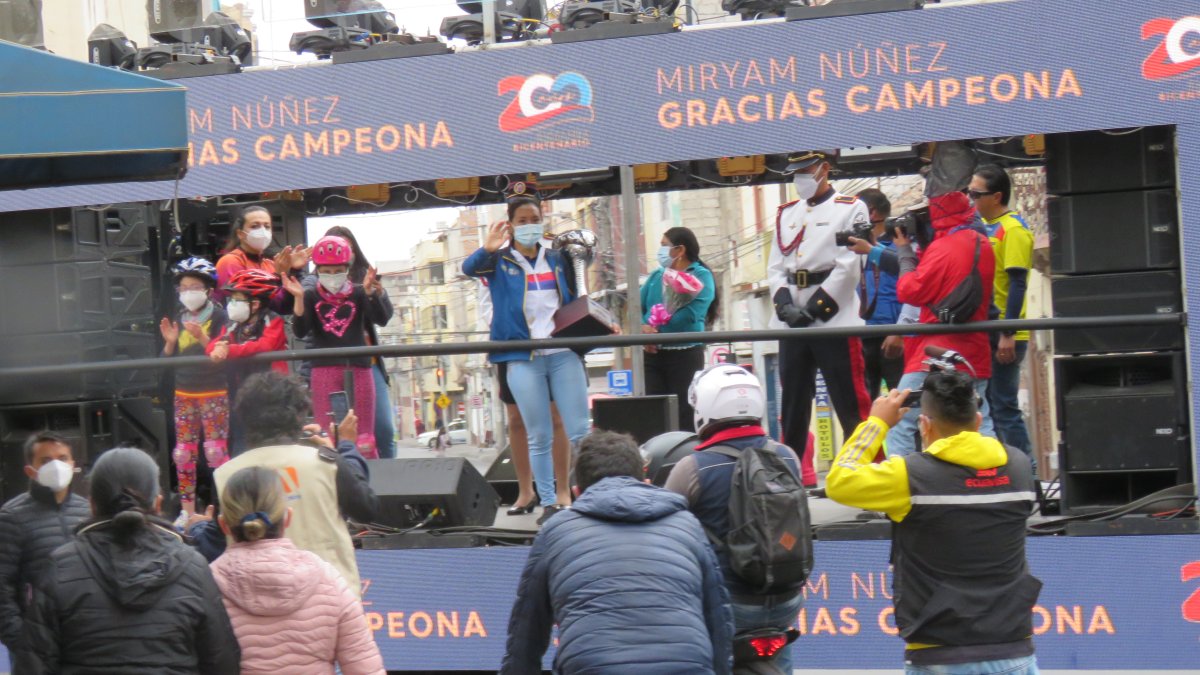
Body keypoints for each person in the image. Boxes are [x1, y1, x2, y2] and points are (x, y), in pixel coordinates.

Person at [825, 373, 1041, 675]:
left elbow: (839, 481)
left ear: (924, 425)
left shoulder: (909, 477)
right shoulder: (1018, 467)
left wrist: (876, 423)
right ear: (978, 421)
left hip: (938, 652)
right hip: (1013, 647)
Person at [501, 430, 733, 675]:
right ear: (646, 482)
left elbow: (526, 634)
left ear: (577, 492)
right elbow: (718, 618)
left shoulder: (555, 531)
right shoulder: (687, 524)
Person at [21, 447, 240, 674]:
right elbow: (222, 663)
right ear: (157, 503)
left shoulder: (60, 567)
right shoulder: (193, 566)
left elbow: (33, 665)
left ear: (92, 505)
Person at [665, 365, 806, 675]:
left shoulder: (693, 468)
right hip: (786, 600)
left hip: (730, 603)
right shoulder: (787, 457)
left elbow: (664, 531)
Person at [462, 195, 593, 525]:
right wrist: (488, 248)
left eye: (533, 218)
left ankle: (591, 494)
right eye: (521, 220)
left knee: (579, 429)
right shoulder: (497, 261)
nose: (528, 224)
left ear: (542, 219)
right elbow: (468, 269)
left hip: (562, 353)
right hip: (522, 356)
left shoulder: (559, 258)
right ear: (510, 224)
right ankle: (548, 503)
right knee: (538, 433)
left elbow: (577, 298)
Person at [189, 372, 379, 594]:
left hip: (256, 607)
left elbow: (215, 544)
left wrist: (198, 526)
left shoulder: (225, 475)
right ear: (299, 414)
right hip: (332, 601)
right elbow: (367, 508)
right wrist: (346, 446)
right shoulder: (326, 461)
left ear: (244, 417)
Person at [211, 466, 385, 675]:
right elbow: (366, 668)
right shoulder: (327, 579)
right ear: (287, 518)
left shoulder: (205, 585)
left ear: (223, 525)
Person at [769, 150, 872, 487]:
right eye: (795, 171)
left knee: (851, 404)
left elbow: (849, 267)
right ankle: (790, 480)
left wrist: (813, 310)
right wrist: (784, 305)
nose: (800, 177)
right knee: (794, 404)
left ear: (824, 169)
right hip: (792, 320)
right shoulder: (786, 213)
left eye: (806, 170)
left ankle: (864, 477)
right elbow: (775, 267)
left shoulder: (850, 207)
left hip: (834, 316)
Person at [887, 190, 998, 456]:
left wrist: (904, 253)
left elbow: (909, 290)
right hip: (974, 351)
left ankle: (903, 485)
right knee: (979, 420)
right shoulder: (983, 244)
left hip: (935, 353)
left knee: (900, 418)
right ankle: (994, 478)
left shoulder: (942, 248)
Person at [480, 269, 572, 516]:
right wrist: (510, 327)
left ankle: (562, 490)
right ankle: (525, 491)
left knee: (556, 418)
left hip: (551, 346)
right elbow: (487, 304)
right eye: (519, 226)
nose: (526, 228)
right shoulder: (494, 261)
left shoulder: (549, 256)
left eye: (530, 225)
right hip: (513, 346)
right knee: (516, 420)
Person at [301, 226, 398, 459]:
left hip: (366, 362)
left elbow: (383, 317)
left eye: (347, 247)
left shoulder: (365, 278)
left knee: (382, 428)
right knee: (332, 429)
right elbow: (302, 305)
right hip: (327, 363)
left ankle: (384, 478)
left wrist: (376, 294)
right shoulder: (315, 282)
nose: (340, 252)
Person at [0, 433, 90, 672]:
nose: (56, 466)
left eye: (62, 458)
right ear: (30, 470)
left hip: (84, 639)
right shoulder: (12, 517)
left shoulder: (88, 513)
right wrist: (21, 640)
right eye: (46, 460)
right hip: (33, 645)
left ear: (73, 464)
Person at [971, 165, 1036, 469]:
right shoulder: (984, 226)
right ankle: (1004, 472)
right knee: (991, 407)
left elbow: (1018, 283)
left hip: (1006, 333)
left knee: (1005, 406)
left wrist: (1007, 333)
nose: (971, 199)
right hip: (987, 330)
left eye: (976, 194)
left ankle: (1027, 474)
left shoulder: (1013, 229)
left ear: (996, 196)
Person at [160, 257, 230, 519]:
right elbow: (166, 359)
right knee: (182, 454)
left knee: (215, 452)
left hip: (213, 392)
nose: (188, 293)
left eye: (194, 287)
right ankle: (187, 512)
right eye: (184, 288)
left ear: (208, 290)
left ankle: (223, 507)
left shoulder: (221, 315)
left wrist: (202, 337)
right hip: (183, 393)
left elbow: (221, 357)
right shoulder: (178, 317)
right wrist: (169, 343)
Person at [208, 268, 302, 455]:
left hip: (271, 392)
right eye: (231, 299)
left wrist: (229, 350)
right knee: (241, 439)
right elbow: (212, 346)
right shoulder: (233, 323)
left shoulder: (272, 320)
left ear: (256, 304)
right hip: (241, 391)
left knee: (274, 441)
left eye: (237, 299)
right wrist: (219, 348)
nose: (232, 304)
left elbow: (264, 345)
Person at [641, 226, 719, 430]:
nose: (660, 251)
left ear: (680, 250)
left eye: (664, 246)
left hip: (685, 353)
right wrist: (643, 329)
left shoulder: (701, 275)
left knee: (686, 413)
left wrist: (657, 331)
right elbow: (637, 307)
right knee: (655, 413)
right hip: (653, 355)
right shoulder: (656, 277)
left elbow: (692, 314)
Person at [849, 188, 905, 399]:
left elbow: (911, 291)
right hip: (860, 332)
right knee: (863, 401)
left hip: (892, 334)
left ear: (870, 213)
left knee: (900, 399)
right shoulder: (850, 247)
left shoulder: (901, 244)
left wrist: (899, 331)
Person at [214, 204, 309, 307]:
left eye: (267, 226)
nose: (263, 231)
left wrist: (293, 271)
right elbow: (253, 305)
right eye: (255, 226)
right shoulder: (230, 262)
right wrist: (278, 276)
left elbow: (286, 306)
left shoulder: (269, 263)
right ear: (240, 234)